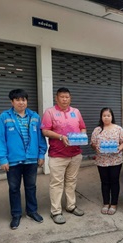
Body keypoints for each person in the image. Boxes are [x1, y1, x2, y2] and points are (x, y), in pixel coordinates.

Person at [0, 89, 47, 230]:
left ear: (26, 101)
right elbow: (0, 139)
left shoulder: (35, 117)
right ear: (12, 102)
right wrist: (3, 159)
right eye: (17, 100)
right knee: (14, 188)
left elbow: (41, 138)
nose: (21, 102)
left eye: (23, 99)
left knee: (31, 187)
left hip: (31, 160)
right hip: (13, 162)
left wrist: (41, 154)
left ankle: (32, 211)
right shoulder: (4, 117)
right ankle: (16, 215)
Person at [41, 87, 87, 225]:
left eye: (67, 97)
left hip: (75, 154)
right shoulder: (50, 112)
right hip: (58, 155)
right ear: (57, 98)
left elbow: (83, 127)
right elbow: (45, 131)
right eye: (62, 97)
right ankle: (56, 211)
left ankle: (71, 206)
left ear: (70, 98)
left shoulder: (76, 112)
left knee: (71, 181)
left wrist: (81, 136)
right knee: (56, 183)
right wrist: (61, 137)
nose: (65, 99)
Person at [90, 107, 123, 215]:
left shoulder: (118, 129)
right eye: (104, 115)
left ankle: (114, 203)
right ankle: (106, 203)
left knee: (114, 181)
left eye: (108, 115)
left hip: (115, 160)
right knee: (105, 182)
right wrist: (95, 147)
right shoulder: (97, 130)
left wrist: (119, 148)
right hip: (101, 160)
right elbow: (92, 143)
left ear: (112, 117)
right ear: (101, 117)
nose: (106, 118)